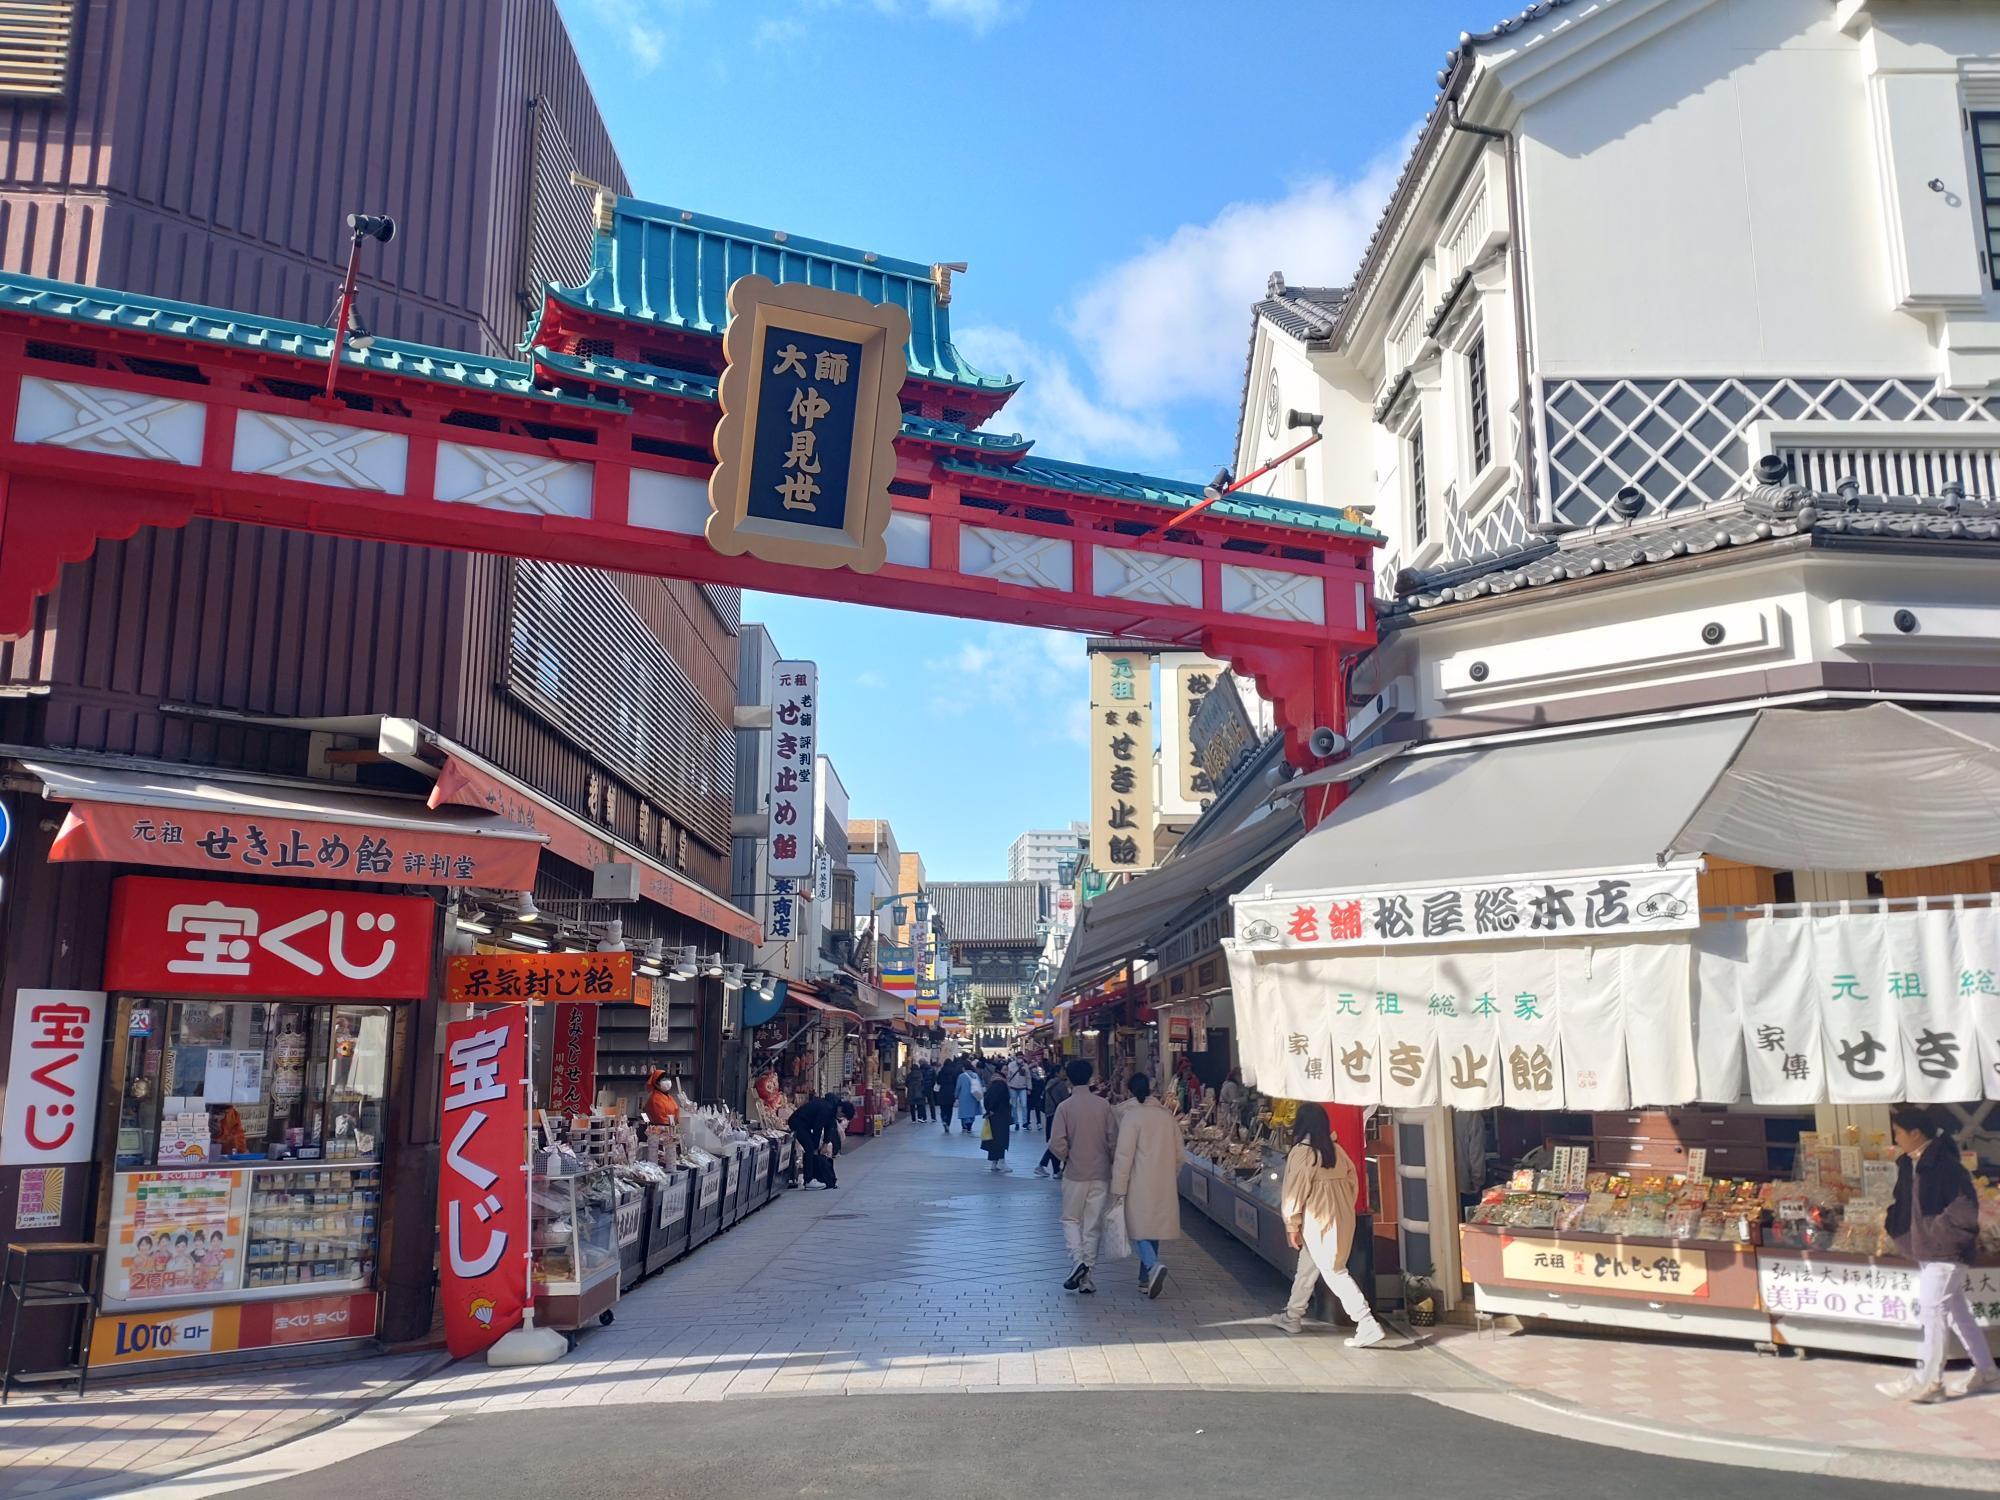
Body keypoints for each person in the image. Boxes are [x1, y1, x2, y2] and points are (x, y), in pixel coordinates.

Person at [1879, 1106, 1999, 1402]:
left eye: (1899, 1133)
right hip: (1927, 1248)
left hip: (1945, 1252)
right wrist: (1897, 1226)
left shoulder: (1946, 1165)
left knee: (1932, 1312)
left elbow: (1964, 1211)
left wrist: (1936, 1235)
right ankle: (1987, 1371)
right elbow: (1902, 1202)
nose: (1896, 1139)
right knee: (1957, 1314)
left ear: (1915, 1133)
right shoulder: (1909, 1164)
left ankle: (1929, 1380)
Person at [1273, 1100, 1387, 1347]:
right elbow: (1353, 1183)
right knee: (1308, 1268)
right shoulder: (1336, 1151)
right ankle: (1293, 1315)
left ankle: (1366, 1322)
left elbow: (1293, 1191)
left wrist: (1291, 1224)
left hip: (1317, 1220)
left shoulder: (1302, 1152)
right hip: (1341, 1218)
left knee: (1334, 1271)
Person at [1048, 1058, 1119, 1294]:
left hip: (1075, 1172)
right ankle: (1087, 1276)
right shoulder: (1104, 1106)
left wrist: (1068, 1157)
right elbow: (1113, 1140)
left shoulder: (1065, 1107)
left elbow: (1056, 1143)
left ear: (1068, 1077)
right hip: (1101, 1172)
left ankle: (1077, 1260)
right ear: (1090, 1078)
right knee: (1092, 1225)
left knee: (1070, 1219)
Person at [1111, 1072, 1184, 1298]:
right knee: (1153, 1228)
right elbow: (1179, 1154)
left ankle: (1152, 1266)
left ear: (1131, 1090)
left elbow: (1124, 1156)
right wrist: (1171, 1173)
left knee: (1137, 1228)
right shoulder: (1166, 1117)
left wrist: (1118, 1187)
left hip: (1138, 1181)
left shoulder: (1131, 1117)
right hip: (1163, 1181)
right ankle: (1145, 1280)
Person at [790, 1092, 853, 1189]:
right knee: (810, 1148)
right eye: (842, 1115)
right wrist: (816, 1147)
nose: (841, 1118)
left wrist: (825, 1143)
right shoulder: (826, 1109)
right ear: (840, 1109)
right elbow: (817, 1128)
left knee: (811, 1147)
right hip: (798, 1122)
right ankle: (808, 1180)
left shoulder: (832, 1109)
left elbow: (829, 1127)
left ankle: (811, 1177)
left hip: (804, 1124)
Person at [1036, 1063, 1072, 1178]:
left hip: (1050, 1115)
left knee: (1055, 1142)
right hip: (1059, 1115)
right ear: (1057, 1073)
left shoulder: (1050, 1083)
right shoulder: (1061, 1085)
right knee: (1057, 1142)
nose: (1064, 1072)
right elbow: (1066, 1101)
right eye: (1062, 1070)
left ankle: (1055, 1170)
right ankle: (1047, 1167)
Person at [983, 1065, 1013, 1173]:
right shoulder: (1001, 1083)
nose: (1007, 1071)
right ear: (1000, 1071)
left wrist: (989, 1109)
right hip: (1000, 1114)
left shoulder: (993, 1081)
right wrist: (992, 1108)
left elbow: (987, 1097)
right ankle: (1001, 1161)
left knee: (994, 1138)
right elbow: (996, 1098)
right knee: (1001, 1138)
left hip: (994, 1114)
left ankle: (994, 1162)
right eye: (1005, 1069)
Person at [955, 1061, 983, 1135]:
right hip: (974, 1096)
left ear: (963, 1068)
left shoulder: (961, 1076)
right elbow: (979, 1085)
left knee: (964, 1112)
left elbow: (958, 1087)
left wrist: (956, 1096)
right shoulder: (975, 1075)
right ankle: (969, 1126)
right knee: (972, 1112)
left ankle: (965, 1126)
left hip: (964, 1096)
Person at [1006, 1055, 1030, 1129]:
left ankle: (1025, 1122)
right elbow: (1008, 1076)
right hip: (1013, 1088)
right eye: (1019, 1057)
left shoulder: (1025, 1066)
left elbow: (1028, 1077)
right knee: (1014, 1106)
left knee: (1024, 1105)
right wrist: (1008, 1086)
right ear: (1016, 1058)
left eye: (1021, 1057)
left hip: (1023, 1088)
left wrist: (1029, 1088)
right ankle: (1016, 1122)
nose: (1020, 1059)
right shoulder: (1011, 1065)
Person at [934, 1056, 957, 1132]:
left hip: (942, 1091)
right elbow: (955, 1082)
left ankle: (943, 1119)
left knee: (943, 1108)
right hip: (951, 1092)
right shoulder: (954, 1071)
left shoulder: (941, 1072)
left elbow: (938, 1081)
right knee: (949, 1109)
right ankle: (948, 1123)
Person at [1027, 1062, 1047, 1130]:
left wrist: (1042, 1093)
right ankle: (1028, 1123)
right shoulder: (1028, 1078)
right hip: (1030, 1095)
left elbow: (1043, 1085)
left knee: (1037, 1109)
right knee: (1028, 1109)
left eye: (1035, 1067)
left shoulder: (1040, 1077)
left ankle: (1039, 1123)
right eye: (1033, 1068)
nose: (1034, 1069)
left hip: (1037, 1095)